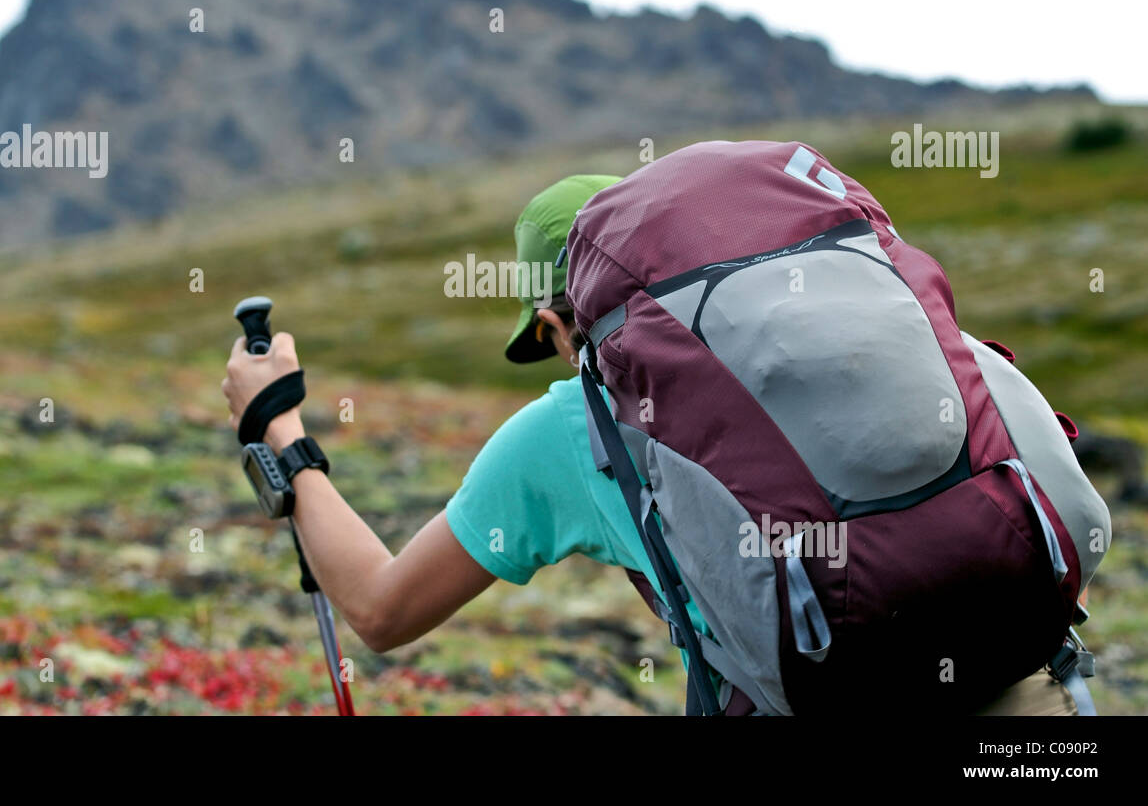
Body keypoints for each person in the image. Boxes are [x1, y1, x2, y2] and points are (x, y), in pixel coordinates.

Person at [221, 173, 1076, 715]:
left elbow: (380, 608)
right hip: (1021, 679)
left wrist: (280, 430)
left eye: (547, 339)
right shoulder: (825, 336)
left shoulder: (570, 427)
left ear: (559, 321)